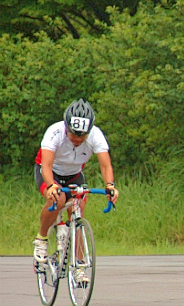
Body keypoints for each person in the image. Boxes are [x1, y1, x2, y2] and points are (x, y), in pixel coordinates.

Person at [32, 99, 119, 281]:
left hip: (73, 175)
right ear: (66, 127)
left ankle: (79, 266)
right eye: (73, 135)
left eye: (82, 136)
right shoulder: (54, 132)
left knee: (78, 213)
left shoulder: (96, 135)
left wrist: (110, 186)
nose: (78, 140)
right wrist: (51, 185)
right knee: (58, 199)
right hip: (50, 172)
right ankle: (41, 239)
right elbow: (46, 166)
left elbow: (105, 166)